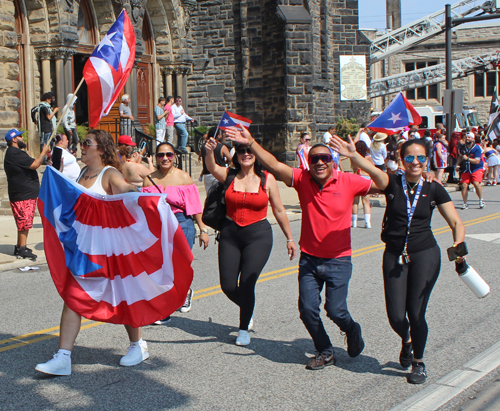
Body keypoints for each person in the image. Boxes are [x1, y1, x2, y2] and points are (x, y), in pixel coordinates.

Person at [225, 126, 371, 369]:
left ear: (333, 162)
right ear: (309, 162)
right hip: (310, 260)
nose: (320, 163)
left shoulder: (348, 181)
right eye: (315, 159)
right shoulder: (302, 179)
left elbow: (384, 183)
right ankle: (325, 350)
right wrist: (250, 142)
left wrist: (357, 158)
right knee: (307, 310)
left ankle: (352, 329)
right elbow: (273, 164)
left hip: (338, 260)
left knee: (336, 310)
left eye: (325, 158)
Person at [331, 136, 465, 385]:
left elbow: (456, 223)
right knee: (395, 316)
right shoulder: (392, 182)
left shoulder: (434, 187)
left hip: (425, 254)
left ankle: (419, 362)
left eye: (421, 157)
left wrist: (458, 251)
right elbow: (373, 171)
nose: (416, 162)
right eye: (410, 157)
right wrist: (354, 156)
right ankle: (407, 339)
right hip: (394, 254)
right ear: (401, 160)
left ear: (427, 160)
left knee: (416, 313)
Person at [35, 130, 149, 376]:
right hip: (86, 249)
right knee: (74, 297)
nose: (82, 146)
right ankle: (63, 357)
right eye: (82, 142)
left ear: (101, 149)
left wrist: (137, 192)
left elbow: (124, 187)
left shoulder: (109, 173)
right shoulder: (82, 173)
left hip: (110, 249)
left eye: (87, 143)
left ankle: (137, 345)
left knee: (123, 297)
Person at [204, 136, 296, 346]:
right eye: (241, 150)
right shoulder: (229, 175)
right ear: (236, 154)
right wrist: (209, 151)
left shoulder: (267, 179)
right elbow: (211, 166)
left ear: (256, 154)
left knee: (247, 283)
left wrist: (289, 238)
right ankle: (248, 308)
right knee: (227, 286)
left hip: (258, 235)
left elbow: (279, 209)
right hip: (230, 233)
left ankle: (243, 328)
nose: (246, 154)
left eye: (249, 150)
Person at [142, 142, 209, 322]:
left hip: (181, 223)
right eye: (161, 155)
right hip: (158, 225)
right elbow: (144, 208)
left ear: (175, 157)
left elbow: (194, 207)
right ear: (155, 157)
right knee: (163, 265)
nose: (165, 158)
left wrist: (202, 229)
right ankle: (166, 306)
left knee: (180, 263)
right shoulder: (149, 179)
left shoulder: (183, 177)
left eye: (169, 155)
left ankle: (185, 292)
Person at [4, 128, 50, 260]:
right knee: (24, 221)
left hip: (22, 193)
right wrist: (43, 152)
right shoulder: (15, 153)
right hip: (23, 194)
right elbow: (35, 164)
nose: (23, 139)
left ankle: (20, 245)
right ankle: (22, 249)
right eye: (20, 137)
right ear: (14, 139)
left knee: (23, 221)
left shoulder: (14, 153)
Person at [199, 127, 231, 193]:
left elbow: (201, 157)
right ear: (218, 136)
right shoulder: (222, 147)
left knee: (209, 195)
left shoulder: (204, 146)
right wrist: (225, 161)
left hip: (207, 174)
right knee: (220, 194)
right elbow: (230, 159)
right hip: (219, 173)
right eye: (221, 134)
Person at [457, 133, 485, 210]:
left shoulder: (477, 148)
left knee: (476, 183)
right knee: (464, 185)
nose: (467, 139)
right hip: (466, 168)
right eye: (466, 137)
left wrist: (467, 159)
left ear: (473, 139)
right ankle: (465, 203)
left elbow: (477, 161)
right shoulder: (463, 147)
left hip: (476, 168)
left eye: (469, 137)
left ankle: (481, 200)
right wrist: (457, 164)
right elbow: (460, 156)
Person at [351, 141, 373, 229]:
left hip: (356, 178)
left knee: (355, 202)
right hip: (366, 178)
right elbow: (372, 168)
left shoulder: (353, 157)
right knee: (366, 202)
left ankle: (354, 222)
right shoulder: (367, 158)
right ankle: (367, 222)